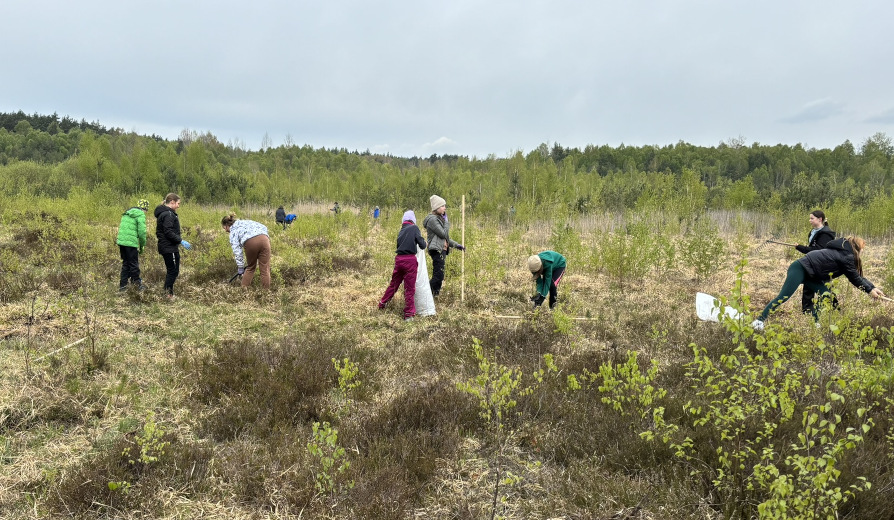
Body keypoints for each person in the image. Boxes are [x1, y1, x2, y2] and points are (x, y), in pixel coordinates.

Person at [752, 237, 884, 330]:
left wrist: (873, 287)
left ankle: (816, 325)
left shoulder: (845, 254)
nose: (863, 252)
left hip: (812, 274)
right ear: (856, 248)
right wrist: (869, 291)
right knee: (783, 296)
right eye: (862, 249)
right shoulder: (846, 256)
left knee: (827, 295)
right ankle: (759, 321)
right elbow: (855, 278)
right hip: (800, 268)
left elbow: (858, 276)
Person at [379, 210, 427, 320]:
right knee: (409, 288)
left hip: (399, 260)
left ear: (403, 220)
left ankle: (382, 303)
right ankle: (409, 314)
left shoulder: (401, 231)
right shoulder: (414, 228)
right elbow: (422, 245)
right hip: (410, 261)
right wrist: (424, 242)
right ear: (413, 220)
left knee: (394, 284)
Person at [793, 210, 836, 314]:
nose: (810, 220)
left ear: (820, 219)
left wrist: (801, 248)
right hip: (812, 263)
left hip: (823, 265)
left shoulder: (826, 234)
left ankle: (833, 308)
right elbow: (812, 248)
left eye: (812, 218)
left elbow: (817, 251)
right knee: (808, 285)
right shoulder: (813, 232)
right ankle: (807, 311)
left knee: (825, 287)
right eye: (810, 218)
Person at [423, 195, 465, 297]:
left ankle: (433, 294)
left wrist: (457, 245)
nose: (445, 208)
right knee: (438, 274)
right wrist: (446, 222)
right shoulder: (433, 220)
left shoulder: (439, 219)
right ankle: (429, 294)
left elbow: (445, 239)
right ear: (437, 208)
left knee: (439, 274)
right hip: (436, 250)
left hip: (441, 249)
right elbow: (443, 234)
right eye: (443, 206)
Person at [154, 193, 190, 298]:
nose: (179, 206)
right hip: (169, 247)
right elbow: (168, 231)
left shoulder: (167, 213)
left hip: (169, 246)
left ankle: (168, 292)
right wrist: (181, 241)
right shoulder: (168, 214)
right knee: (173, 271)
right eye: (178, 203)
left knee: (173, 270)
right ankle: (168, 294)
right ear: (172, 202)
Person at [222, 214, 271, 289]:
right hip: (265, 240)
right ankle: (266, 294)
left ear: (226, 225)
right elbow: (264, 227)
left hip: (251, 242)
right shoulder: (246, 222)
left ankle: (244, 293)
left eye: (224, 228)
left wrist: (240, 267)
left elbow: (237, 251)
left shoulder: (233, 231)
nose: (225, 231)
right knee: (265, 269)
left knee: (250, 268)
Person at [116, 199, 149, 291]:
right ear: (145, 209)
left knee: (126, 263)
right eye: (146, 211)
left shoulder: (127, 213)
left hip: (121, 242)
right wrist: (142, 245)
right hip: (131, 243)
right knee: (134, 264)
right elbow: (142, 233)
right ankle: (137, 285)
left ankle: (123, 287)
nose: (146, 213)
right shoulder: (140, 214)